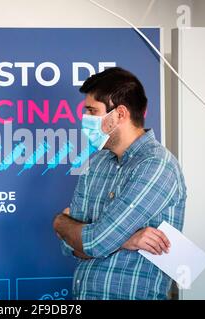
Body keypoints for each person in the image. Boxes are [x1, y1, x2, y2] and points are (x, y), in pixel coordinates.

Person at [53, 67, 187, 300]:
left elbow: (94, 242)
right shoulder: (97, 162)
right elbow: (70, 247)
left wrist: (60, 223)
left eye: (92, 111)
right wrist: (126, 239)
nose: (86, 120)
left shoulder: (156, 165)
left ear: (120, 114)